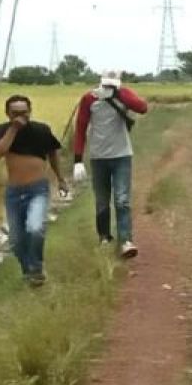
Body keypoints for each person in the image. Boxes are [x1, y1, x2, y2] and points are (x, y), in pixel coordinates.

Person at [0, 94, 68, 286]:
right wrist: (13, 130)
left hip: (37, 189)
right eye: (15, 113)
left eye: (24, 113)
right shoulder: (1, 131)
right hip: (14, 192)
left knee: (35, 228)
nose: (20, 117)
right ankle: (28, 272)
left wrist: (61, 179)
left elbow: (53, 154)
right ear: (7, 114)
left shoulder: (41, 130)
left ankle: (37, 269)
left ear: (30, 112)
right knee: (16, 240)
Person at [72, 70, 149, 258]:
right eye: (106, 85)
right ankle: (104, 237)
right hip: (98, 157)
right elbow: (80, 128)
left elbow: (142, 107)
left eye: (112, 85)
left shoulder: (124, 94)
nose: (108, 88)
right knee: (102, 201)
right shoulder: (89, 99)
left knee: (122, 200)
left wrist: (118, 94)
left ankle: (126, 241)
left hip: (122, 155)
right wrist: (78, 160)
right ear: (100, 82)